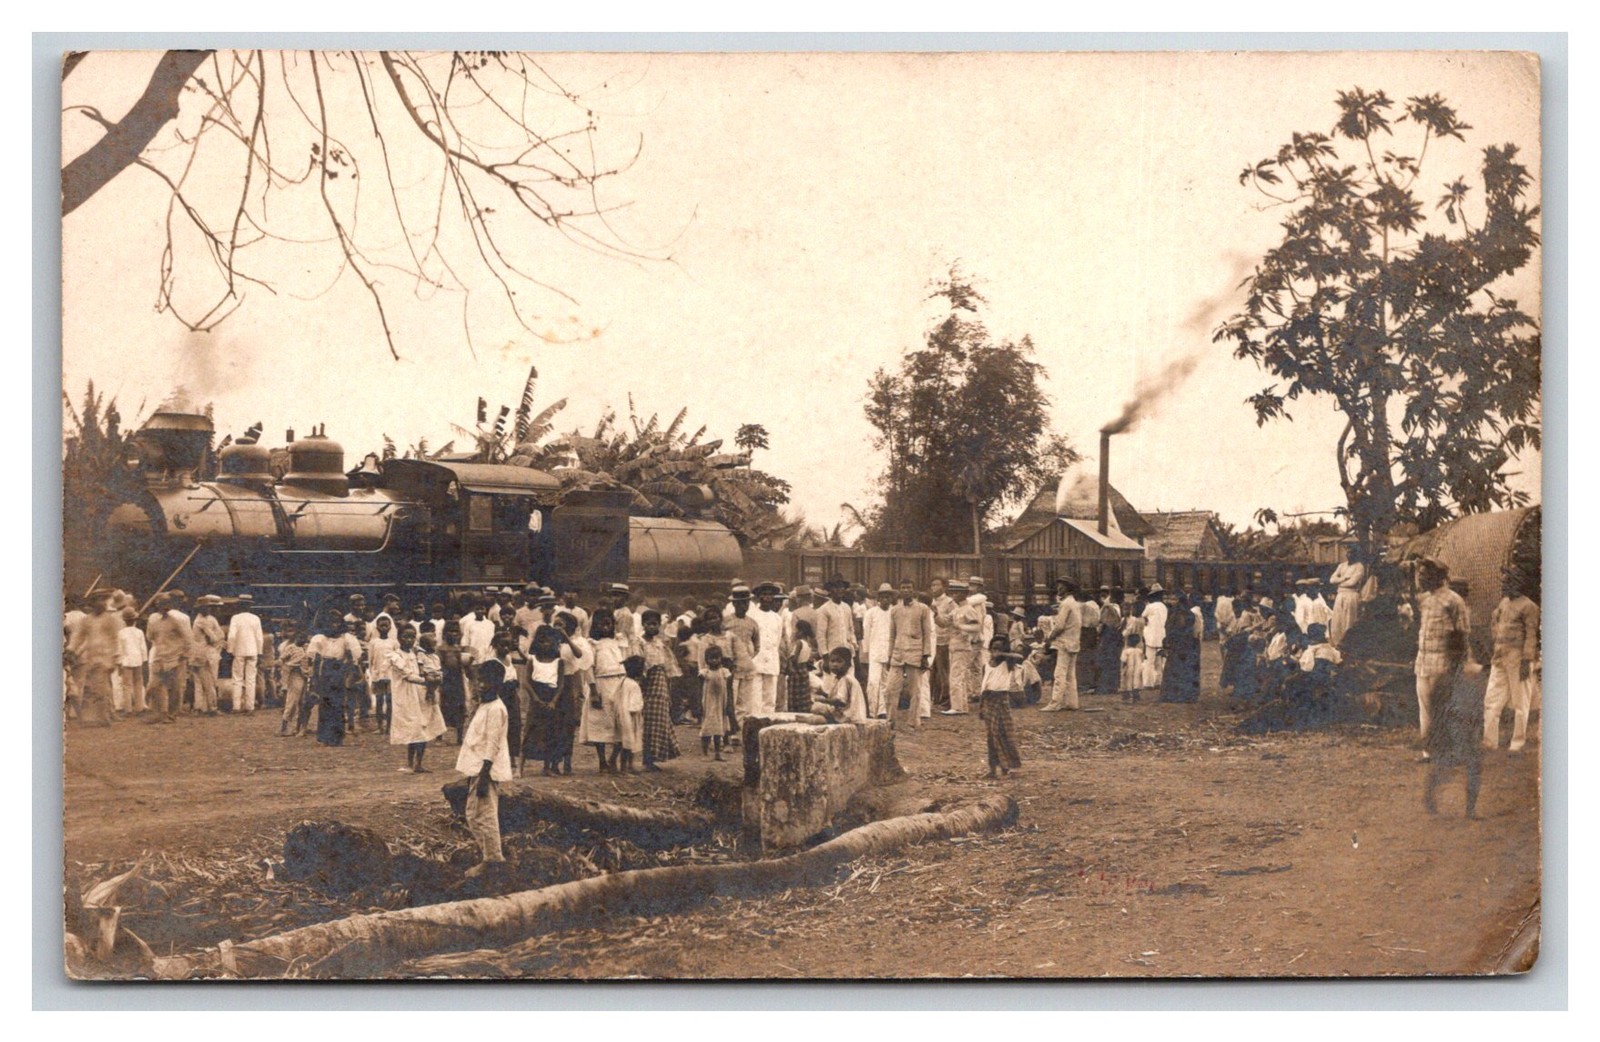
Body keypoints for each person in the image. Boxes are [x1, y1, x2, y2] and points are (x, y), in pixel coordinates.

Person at [456, 655, 512, 877]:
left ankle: (493, 859)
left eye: (485, 681)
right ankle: (488, 855)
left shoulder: (496, 709)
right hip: (477, 769)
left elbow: (492, 744)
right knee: (472, 814)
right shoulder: (483, 706)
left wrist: (484, 775)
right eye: (478, 681)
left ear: (497, 684)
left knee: (485, 815)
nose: (480, 685)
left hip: (485, 771)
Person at [1425, 633, 1489, 819]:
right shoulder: (1461, 680)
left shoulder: (1458, 680)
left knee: (1458, 766)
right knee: (1456, 766)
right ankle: (1469, 809)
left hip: (1458, 729)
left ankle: (1467, 809)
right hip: (1452, 729)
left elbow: (1476, 709)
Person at [1413, 558, 1470, 753]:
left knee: (1445, 707)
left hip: (1443, 663)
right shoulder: (1424, 600)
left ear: (1438, 577)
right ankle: (1428, 751)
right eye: (1420, 574)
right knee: (1425, 708)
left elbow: (1462, 633)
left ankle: (1451, 750)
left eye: (1425, 574)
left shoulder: (1453, 600)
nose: (1421, 578)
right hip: (1423, 662)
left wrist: (1457, 664)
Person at [1484, 571, 1541, 753]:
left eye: (1507, 583)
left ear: (1517, 584)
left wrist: (1526, 661)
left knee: (1520, 703)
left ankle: (1517, 744)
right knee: (1492, 700)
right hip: (1500, 658)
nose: (1504, 587)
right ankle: (1489, 742)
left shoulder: (1529, 607)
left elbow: (1532, 636)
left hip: (1518, 661)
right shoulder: (1504, 603)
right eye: (1503, 583)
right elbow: (1496, 625)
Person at [389, 623, 447, 773]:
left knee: (424, 727)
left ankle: (418, 763)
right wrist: (427, 681)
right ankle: (409, 763)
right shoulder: (395, 656)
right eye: (406, 637)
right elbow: (407, 675)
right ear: (399, 637)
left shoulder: (417, 654)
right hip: (406, 695)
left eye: (412, 637)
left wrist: (431, 683)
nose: (409, 640)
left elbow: (427, 668)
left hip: (421, 693)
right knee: (413, 728)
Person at [578, 611, 625, 772]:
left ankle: (613, 759)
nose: (606, 627)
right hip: (601, 685)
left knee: (621, 722)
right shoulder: (592, 644)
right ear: (595, 626)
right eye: (601, 624)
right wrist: (593, 692)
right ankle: (602, 761)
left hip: (619, 684)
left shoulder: (618, 642)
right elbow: (588, 668)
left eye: (609, 624)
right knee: (600, 724)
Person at [885, 579, 934, 732]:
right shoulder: (895, 610)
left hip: (915, 653)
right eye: (903, 588)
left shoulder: (923, 609)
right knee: (891, 689)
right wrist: (889, 655)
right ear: (899, 590)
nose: (906, 590)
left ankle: (913, 722)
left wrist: (925, 655)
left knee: (916, 690)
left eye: (909, 588)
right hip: (898, 653)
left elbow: (927, 633)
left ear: (913, 591)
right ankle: (890, 721)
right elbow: (892, 635)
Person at [310, 612, 362, 746]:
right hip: (326, 671)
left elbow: (352, 658)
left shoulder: (346, 638)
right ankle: (324, 736)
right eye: (331, 622)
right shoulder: (320, 638)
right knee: (325, 703)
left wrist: (348, 674)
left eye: (337, 622)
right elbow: (316, 660)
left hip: (340, 670)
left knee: (338, 704)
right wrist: (315, 679)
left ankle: (337, 737)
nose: (334, 625)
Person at [639, 610, 682, 770]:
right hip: (646, 684)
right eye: (648, 624)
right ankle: (647, 758)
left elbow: (669, 668)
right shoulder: (639, 643)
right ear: (643, 625)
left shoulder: (660, 644)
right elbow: (639, 666)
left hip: (660, 685)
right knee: (648, 721)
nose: (652, 627)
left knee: (660, 719)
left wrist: (668, 689)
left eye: (655, 624)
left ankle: (654, 757)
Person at [978, 637, 1023, 778]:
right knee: (991, 736)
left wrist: (1003, 655)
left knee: (1005, 733)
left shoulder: (1006, 663)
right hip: (988, 699)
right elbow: (984, 685)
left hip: (1001, 699)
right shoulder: (986, 665)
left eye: (999, 649)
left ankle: (1010, 767)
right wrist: (981, 707)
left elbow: (1020, 657)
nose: (995, 652)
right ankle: (993, 768)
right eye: (994, 648)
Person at [145, 593, 191, 725]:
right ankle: (160, 713)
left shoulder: (175, 621)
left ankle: (172, 714)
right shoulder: (154, 622)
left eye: (165, 604)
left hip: (173, 658)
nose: (162, 606)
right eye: (160, 604)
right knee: (155, 686)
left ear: (169, 605)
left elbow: (187, 639)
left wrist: (183, 654)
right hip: (159, 657)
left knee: (174, 688)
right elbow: (150, 636)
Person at [1040, 578, 1083, 712]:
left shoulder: (1065, 604)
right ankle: (1072, 703)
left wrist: (1049, 638)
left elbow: (1059, 626)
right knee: (1070, 675)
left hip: (1064, 643)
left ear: (1067, 589)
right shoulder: (1075, 603)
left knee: (1060, 673)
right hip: (1074, 642)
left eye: (1061, 587)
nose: (1059, 589)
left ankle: (1055, 703)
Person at [722, 585, 761, 729]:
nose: (743, 606)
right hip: (729, 667)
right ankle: (728, 730)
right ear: (734, 604)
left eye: (746, 602)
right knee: (728, 700)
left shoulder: (752, 623)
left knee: (744, 702)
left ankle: (740, 731)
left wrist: (747, 657)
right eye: (740, 602)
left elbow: (757, 646)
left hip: (746, 667)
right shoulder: (726, 622)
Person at [943, 580, 980, 714]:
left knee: (956, 677)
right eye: (952, 592)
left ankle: (957, 707)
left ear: (963, 594)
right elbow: (943, 623)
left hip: (962, 647)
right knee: (959, 677)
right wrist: (935, 613)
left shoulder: (969, 609)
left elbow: (976, 627)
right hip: (954, 646)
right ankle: (961, 706)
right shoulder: (957, 610)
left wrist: (961, 626)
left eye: (956, 592)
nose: (953, 595)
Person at [436, 619, 474, 745]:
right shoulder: (441, 649)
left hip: (457, 681)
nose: (453, 634)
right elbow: (439, 665)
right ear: (445, 633)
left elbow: (464, 667)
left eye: (456, 632)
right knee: (443, 706)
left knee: (459, 707)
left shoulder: (460, 649)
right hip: (446, 681)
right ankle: (439, 735)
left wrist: (468, 663)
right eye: (450, 632)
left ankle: (459, 737)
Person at [750, 582, 786, 715]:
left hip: (771, 662)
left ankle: (767, 728)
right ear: (759, 597)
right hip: (756, 662)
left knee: (770, 699)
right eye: (764, 594)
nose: (767, 598)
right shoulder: (752, 616)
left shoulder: (777, 618)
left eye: (770, 595)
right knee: (755, 700)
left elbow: (776, 641)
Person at [861, 583, 895, 719]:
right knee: (873, 682)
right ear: (879, 598)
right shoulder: (871, 613)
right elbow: (866, 634)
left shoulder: (894, 612)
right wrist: (866, 652)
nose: (885, 599)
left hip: (890, 652)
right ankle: (873, 710)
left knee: (887, 684)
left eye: (888, 596)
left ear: (891, 598)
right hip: (874, 652)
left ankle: (884, 710)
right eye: (883, 597)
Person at [807, 646, 867, 724]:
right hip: (849, 714)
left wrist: (823, 700)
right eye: (832, 661)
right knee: (817, 708)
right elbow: (838, 696)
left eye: (839, 661)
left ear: (848, 664)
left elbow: (841, 701)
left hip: (848, 716)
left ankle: (823, 720)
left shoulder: (846, 679)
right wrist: (823, 694)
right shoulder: (839, 678)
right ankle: (821, 719)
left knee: (816, 707)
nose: (835, 664)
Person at [225, 594, 264, 713]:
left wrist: (230, 649)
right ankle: (250, 707)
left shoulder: (235, 618)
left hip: (239, 651)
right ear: (250, 606)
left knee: (237, 679)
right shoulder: (255, 618)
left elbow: (231, 635)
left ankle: (236, 706)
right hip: (252, 651)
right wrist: (259, 651)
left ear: (239, 605)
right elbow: (259, 637)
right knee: (251, 679)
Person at [276, 623, 312, 736]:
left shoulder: (306, 648)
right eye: (300, 638)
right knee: (292, 701)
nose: (302, 640)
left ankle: (299, 727)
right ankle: (284, 727)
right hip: (294, 674)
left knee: (303, 703)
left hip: (306, 676)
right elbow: (281, 661)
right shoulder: (290, 648)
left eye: (304, 638)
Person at [366, 613, 398, 736]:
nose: (384, 627)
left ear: (390, 627)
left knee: (390, 701)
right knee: (379, 700)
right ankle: (380, 726)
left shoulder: (394, 642)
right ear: (377, 627)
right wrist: (372, 674)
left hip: (390, 675)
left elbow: (397, 658)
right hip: (378, 675)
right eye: (381, 626)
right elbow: (371, 660)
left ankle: (390, 726)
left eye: (386, 625)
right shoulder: (373, 642)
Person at [1327, 545, 1367, 646]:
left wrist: (1339, 581)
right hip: (1340, 594)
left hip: (1351, 594)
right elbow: (1332, 580)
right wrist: (1344, 578)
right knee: (1337, 620)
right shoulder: (1341, 566)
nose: (1349, 555)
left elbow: (1352, 582)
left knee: (1349, 620)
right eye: (1348, 552)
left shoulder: (1359, 566)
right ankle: (1337, 643)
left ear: (1356, 554)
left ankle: (1348, 645)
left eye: (1352, 553)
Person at [614, 655, 646, 774]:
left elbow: (615, 697)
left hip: (622, 715)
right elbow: (634, 705)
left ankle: (629, 765)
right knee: (627, 742)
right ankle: (624, 768)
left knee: (626, 741)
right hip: (629, 716)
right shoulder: (633, 685)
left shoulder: (623, 681)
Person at [699, 644, 732, 759]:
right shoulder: (705, 673)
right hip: (709, 705)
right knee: (707, 728)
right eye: (711, 658)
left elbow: (728, 688)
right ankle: (705, 752)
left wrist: (728, 704)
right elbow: (699, 687)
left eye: (716, 658)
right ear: (707, 660)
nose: (714, 660)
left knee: (719, 730)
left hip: (720, 705)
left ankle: (718, 753)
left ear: (720, 658)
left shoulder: (724, 672)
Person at [814, 577, 857, 665]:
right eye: (836, 587)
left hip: (847, 652)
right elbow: (820, 635)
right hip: (832, 654)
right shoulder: (824, 609)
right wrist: (825, 656)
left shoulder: (846, 608)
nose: (839, 590)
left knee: (848, 678)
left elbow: (851, 629)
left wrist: (853, 644)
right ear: (830, 590)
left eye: (841, 587)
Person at [115, 606, 148, 716]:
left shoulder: (121, 633)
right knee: (138, 683)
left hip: (126, 661)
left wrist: (119, 662)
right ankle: (139, 707)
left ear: (124, 621)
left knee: (126, 685)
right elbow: (143, 648)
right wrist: (144, 660)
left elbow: (119, 649)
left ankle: (128, 709)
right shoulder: (139, 632)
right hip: (137, 660)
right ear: (135, 620)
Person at [786, 618, 819, 712]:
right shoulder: (808, 644)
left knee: (794, 695)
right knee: (803, 695)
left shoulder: (799, 643)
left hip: (796, 671)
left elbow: (794, 658)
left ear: (801, 631)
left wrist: (789, 666)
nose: (794, 632)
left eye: (796, 630)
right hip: (804, 671)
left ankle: (793, 713)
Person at [1140, 584, 1169, 691]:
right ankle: (1159, 682)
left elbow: (1142, 617)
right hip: (1162, 636)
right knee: (1159, 661)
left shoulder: (1149, 607)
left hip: (1151, 637)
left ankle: (1148, 683)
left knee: (1149, 660)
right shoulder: (1164, 607)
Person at [1097, 588, 1125, 696]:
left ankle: (1106, 687)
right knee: (1114, 661)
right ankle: (1113, 686)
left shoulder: (1108, 608)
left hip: (1108, 636)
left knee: (1106, 661)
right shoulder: (1119, 607)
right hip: (1116, 636)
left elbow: (1102, 621)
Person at [1076, 588, 1101, 696]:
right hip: (1093, 631)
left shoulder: (1083, 606)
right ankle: (1093, 684)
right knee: (1092, 657)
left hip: (1084, 632)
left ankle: (1083, 684)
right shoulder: (1095, 605)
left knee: (1082, 658)